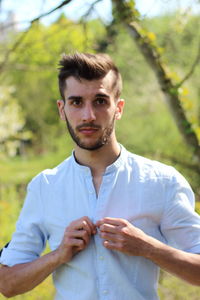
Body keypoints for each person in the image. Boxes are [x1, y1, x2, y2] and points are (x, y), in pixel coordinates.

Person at [0, 52, 200, 300]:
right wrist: (59, 254)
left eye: (100, 101)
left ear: (119, 108)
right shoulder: (45, 186)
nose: (88, 116)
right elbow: (7, 283)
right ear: (62, 110)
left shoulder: (163, 182)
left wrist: (147, 247)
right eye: (76, 102)